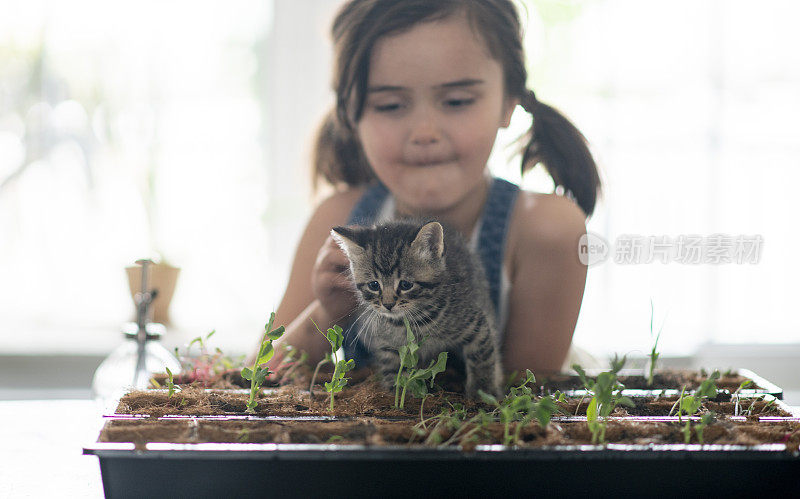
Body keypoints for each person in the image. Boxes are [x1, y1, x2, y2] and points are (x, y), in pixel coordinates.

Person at [263, 0, 601, 376]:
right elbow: (255, 381)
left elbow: (521, 409)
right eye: (390, 105)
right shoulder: (339, 219)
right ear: (351, 114)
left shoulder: (547, 230)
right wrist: (328, 312)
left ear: (509, 101)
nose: (425, 132)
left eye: (456, 101)